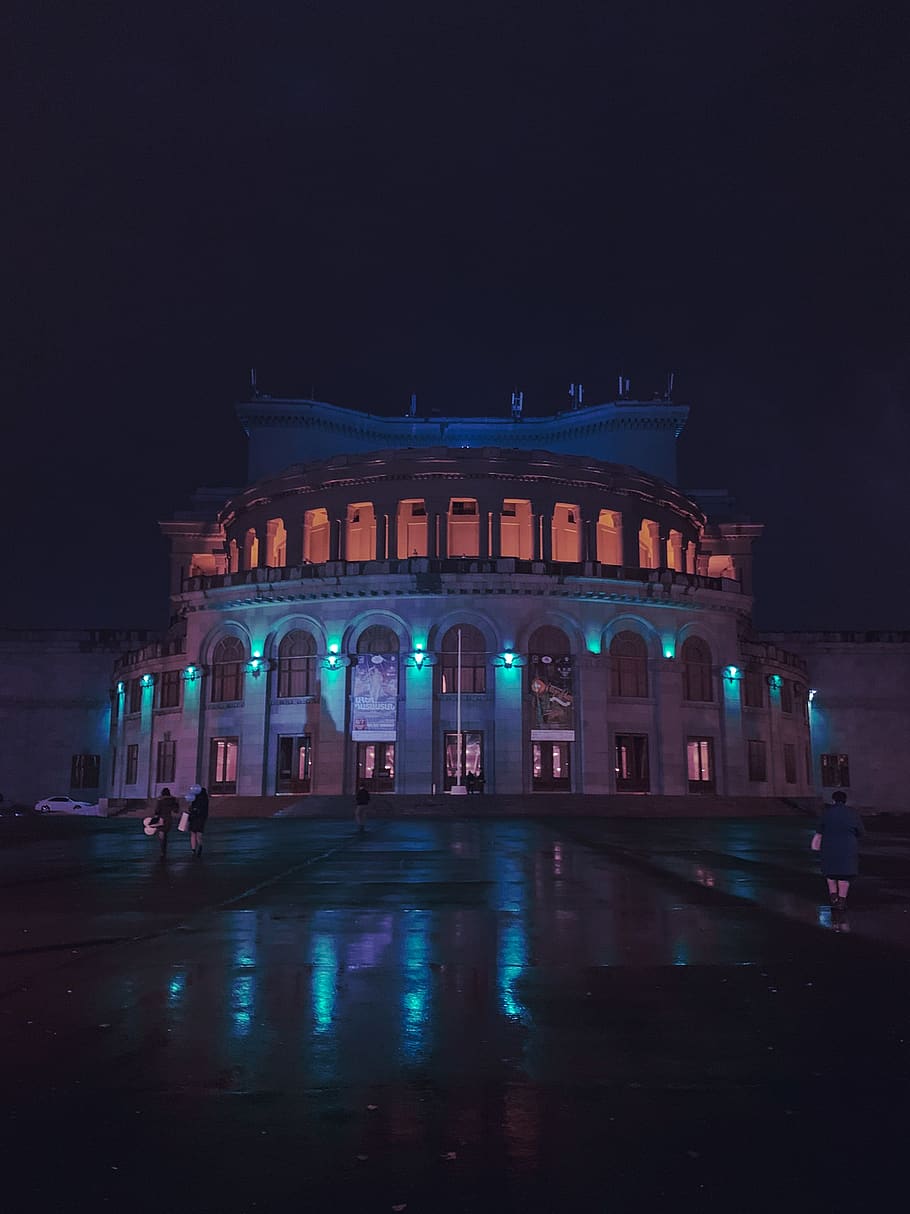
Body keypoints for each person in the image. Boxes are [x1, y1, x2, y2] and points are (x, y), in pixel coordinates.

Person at [815, 790, 864, 910]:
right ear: (845, 800)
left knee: (830, 873)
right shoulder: (852, 813)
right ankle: (842, 900)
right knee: (845, 876)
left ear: (833, 800)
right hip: (848, 847)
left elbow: (819, 830)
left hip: (829, 846)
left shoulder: (827, 813)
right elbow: (861, 831)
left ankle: (833, 897)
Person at [154, 787, 179, 860]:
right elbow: (176, 810)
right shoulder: (172, 800)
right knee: (165, 834)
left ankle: (162, 851)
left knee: (161, 835)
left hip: (161, 818)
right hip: (168, 819)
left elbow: (157, 810)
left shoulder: (160, 800)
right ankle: (164, 850)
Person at [188, 786, 209, 857]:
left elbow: (191, 808)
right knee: (199, 834)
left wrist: (191, 809)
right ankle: (200, 845)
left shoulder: (195, 798)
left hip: (194, 818)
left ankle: (193, 850)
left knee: (193, 834)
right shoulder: (205, 799)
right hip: (201, 819)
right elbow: (205, 811)